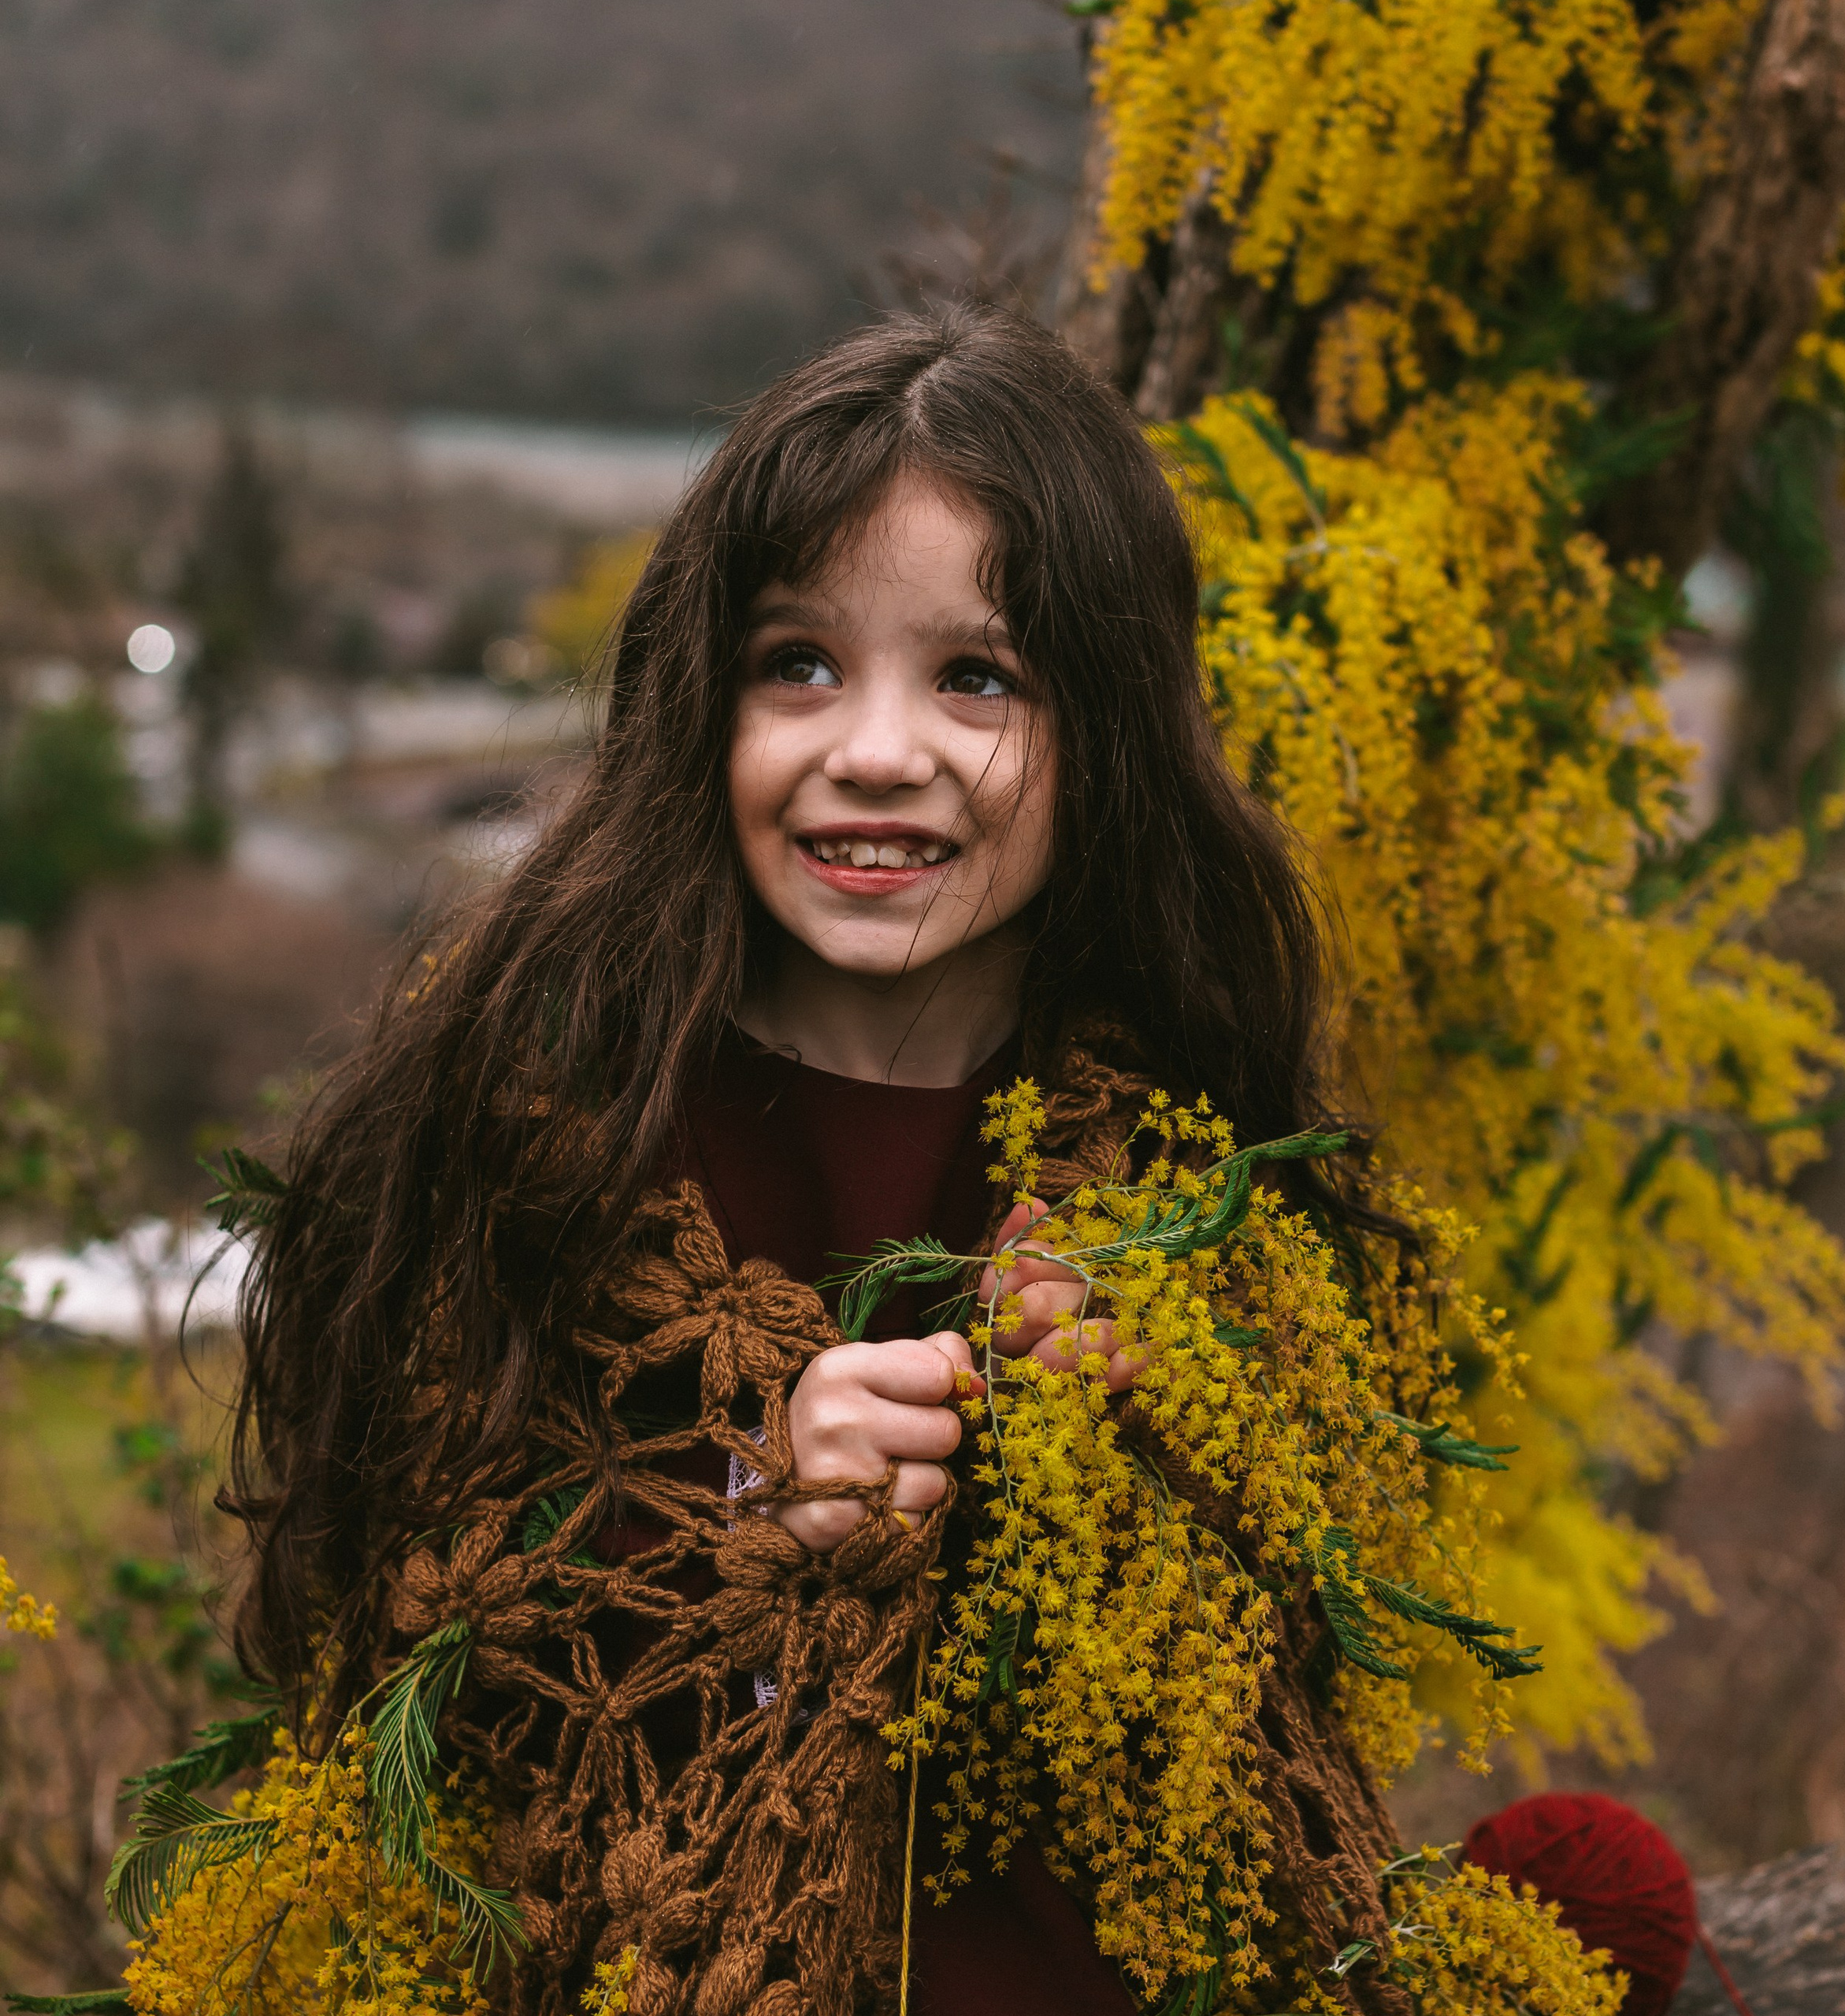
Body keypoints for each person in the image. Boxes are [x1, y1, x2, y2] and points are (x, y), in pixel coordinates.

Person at [228, 305, 1407, 2016]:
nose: (873, 750)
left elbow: (1289, 1688)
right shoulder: (553, 1133)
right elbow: (424, 1653)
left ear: (1109, 729)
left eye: (977, 677)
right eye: (799, 663)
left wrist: (1150, 1457)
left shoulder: (1197, 1168)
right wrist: (753, 1511)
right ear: (698, 698)